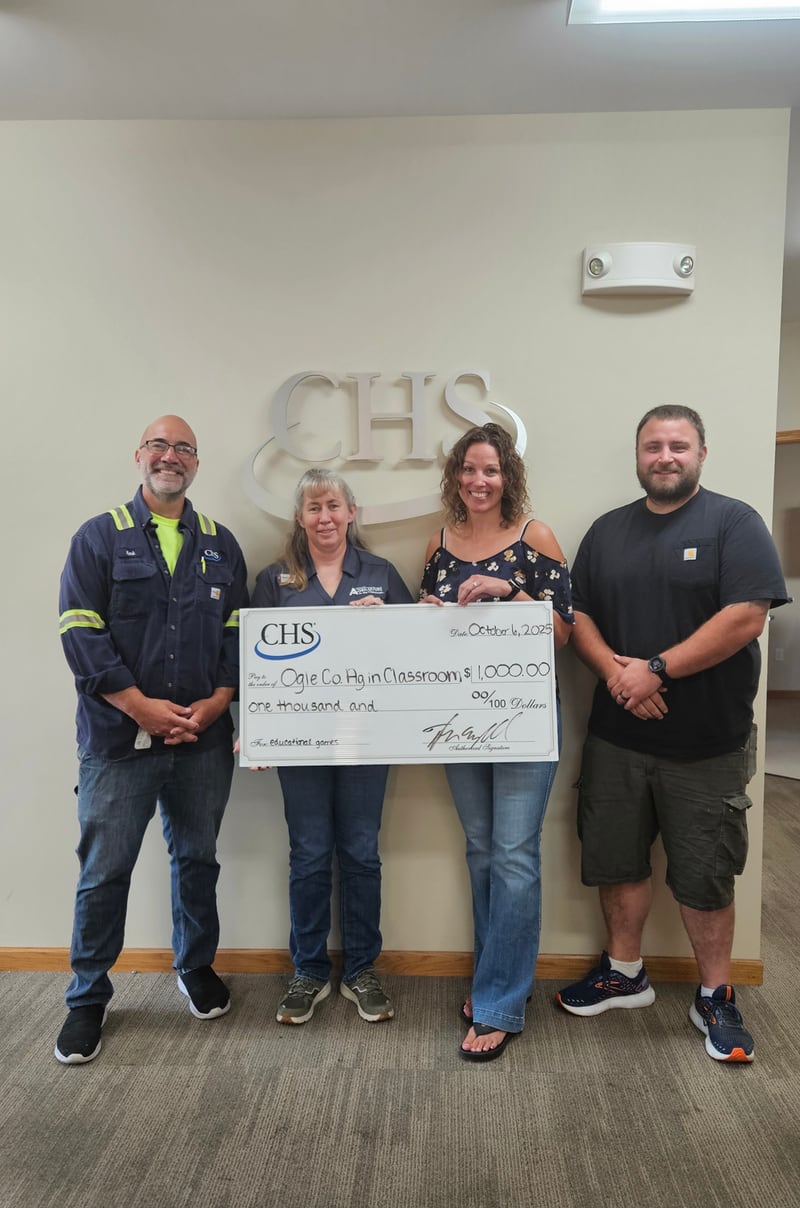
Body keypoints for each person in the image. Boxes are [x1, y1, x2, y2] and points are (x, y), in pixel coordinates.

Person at [556, 404, 790, 1063]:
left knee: (706, 874)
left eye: (678, 446)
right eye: (653, 446)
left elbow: (746, 616)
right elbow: (578, 616)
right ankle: (624, 973)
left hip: (708, 744)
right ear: (638, 456)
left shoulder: (733, 523)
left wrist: (655, 670)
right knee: (616, 860)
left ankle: (715, 995)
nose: (665, 456)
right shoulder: (607, 531)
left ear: (701, 454)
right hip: (616, 737)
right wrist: (618, 676)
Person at [55, 416, 248, 1065]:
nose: (171, 456)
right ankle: (87, 998)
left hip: (202, 740)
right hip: (118, 743)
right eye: (160, 445)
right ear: (140, 455)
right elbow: (79, 631)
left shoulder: (220, 543)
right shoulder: (98, 537)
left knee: (197, 859)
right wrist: (140, 708)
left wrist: (219, 700)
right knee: (104, 872)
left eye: (184, 448)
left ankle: (194, 967)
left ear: (196, 463)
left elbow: (236, 633)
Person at [420, 423, 574, 1061]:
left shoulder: (535, 536)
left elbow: (563, 632)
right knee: (482, 852)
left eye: (491, 470)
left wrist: (510, 590)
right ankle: (494, 980)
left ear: (508, 476)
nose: (479, 481)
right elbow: (425, 635)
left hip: (522, 718)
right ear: (455, 476)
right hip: (457, 719)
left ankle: (500, 1003)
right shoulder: (438, 542)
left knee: (514, 857)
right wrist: (425, 615)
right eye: (469, 469)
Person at [251, 468, 413, 1025]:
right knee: (310, 853)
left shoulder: (380, 574)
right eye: (314, 507)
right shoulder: (274, 580)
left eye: (334, 506)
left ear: (351, 513)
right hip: (300, 743)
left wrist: (387, 622)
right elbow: (252, 662)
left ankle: (362, 969)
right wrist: (256, 728)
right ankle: (309, 971)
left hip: (368, 737)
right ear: (300, 518)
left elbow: (417, 653)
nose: (325, 517)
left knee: (362, 852)